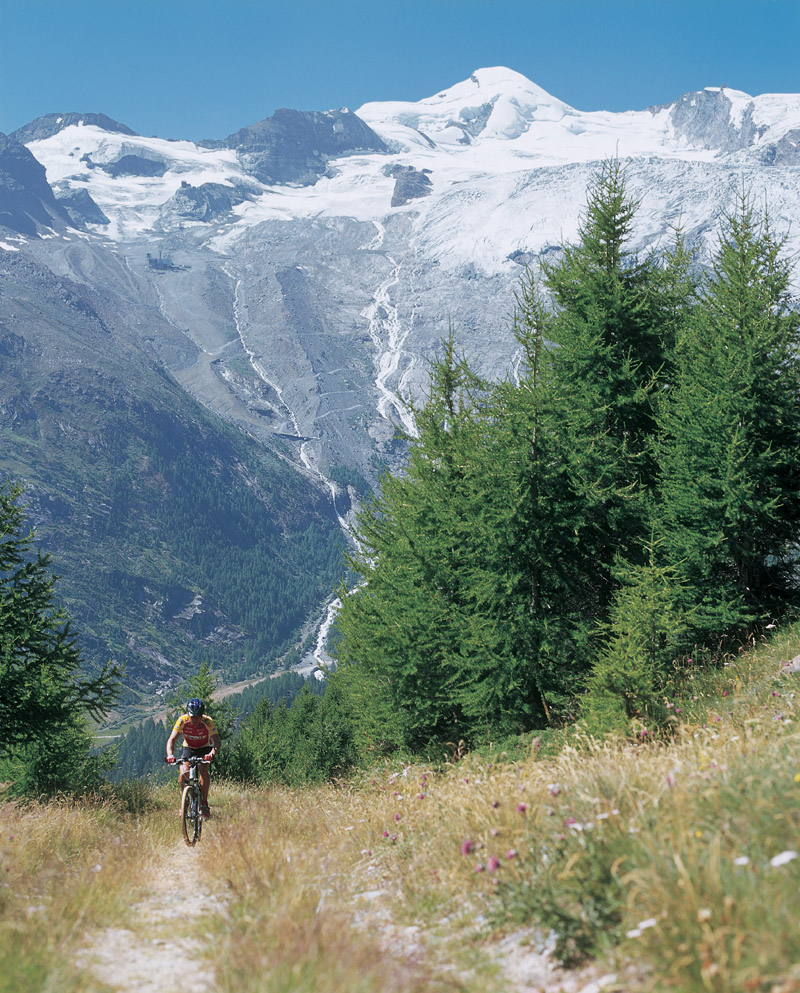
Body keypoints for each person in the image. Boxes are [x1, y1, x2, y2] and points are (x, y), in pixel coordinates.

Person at [166, 698, 221, 819]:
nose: (195, 720)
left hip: (204, 748)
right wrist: (170, 754)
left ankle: (204, 803)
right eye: (192, 717)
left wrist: (212, 753)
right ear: (188, 714)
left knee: (202, 769)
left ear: (202, 716)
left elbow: (217, 740)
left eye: (198, 717)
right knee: (183, 774)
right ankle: (185, 802)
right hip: (189, 748)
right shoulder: (182, 720)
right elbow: (172, 740)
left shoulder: (208, 721)